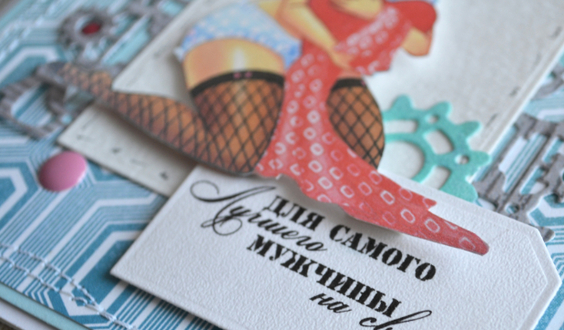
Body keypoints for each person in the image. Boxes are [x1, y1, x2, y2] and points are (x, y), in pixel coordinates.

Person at [55, 0, 488, 254]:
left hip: (321, 62)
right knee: (236, 151)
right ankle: (105, 90)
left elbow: (419, 42)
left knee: (361, 149)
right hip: (261, 35)